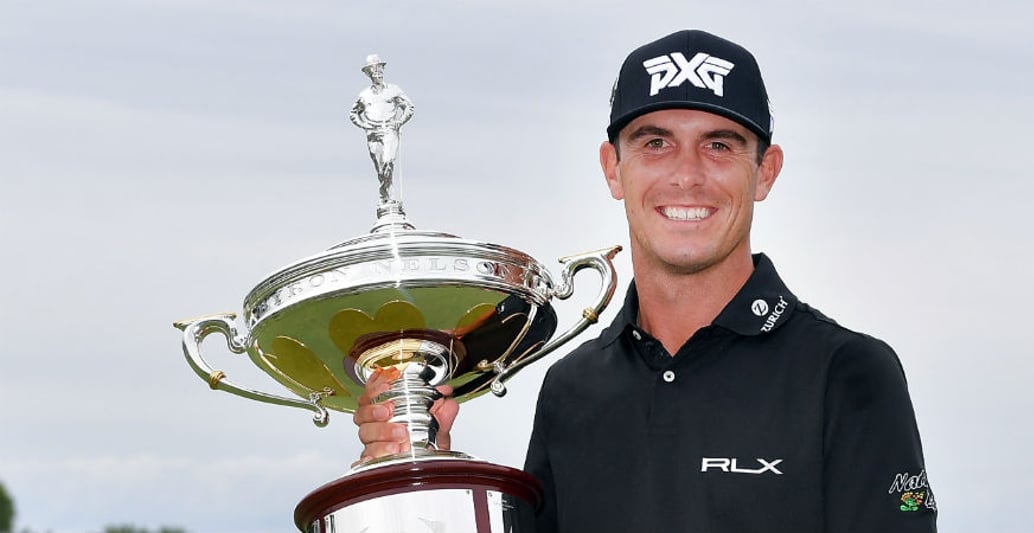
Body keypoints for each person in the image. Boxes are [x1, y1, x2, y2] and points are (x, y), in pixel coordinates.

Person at [355, 29, 936, 532]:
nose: (687, 175)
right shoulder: (572, 391)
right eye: (655, 143)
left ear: (765, 171)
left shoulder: (848, 373)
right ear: (613, 168)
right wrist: (427, 471)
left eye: (719, 145)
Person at [350, 54, 415, 205]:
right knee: (380, 167)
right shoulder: (364, 95)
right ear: (369, 74)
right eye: (374, 71)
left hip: (389, 130)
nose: (377, 73)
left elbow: (409, 107)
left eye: (379, 70)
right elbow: (353, 113)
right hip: (372, 133)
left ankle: (388, 196)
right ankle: (386, 195)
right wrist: (364, 125)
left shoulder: (393, 90)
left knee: (388, 161)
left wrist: (400, 121)